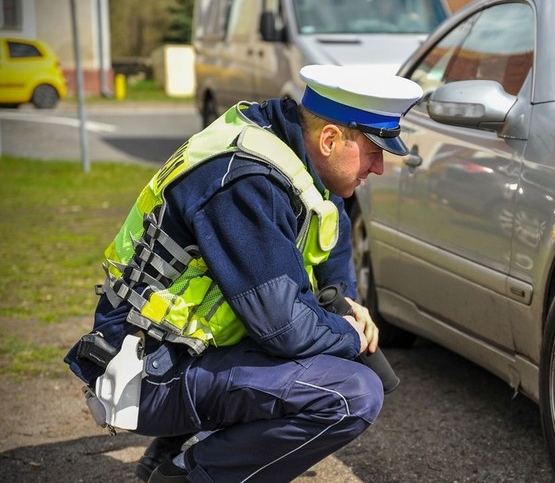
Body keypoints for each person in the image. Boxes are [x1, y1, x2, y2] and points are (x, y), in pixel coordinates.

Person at [64, 64, 423, 483]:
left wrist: (345, 301)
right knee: (352, 394)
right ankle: (189, 475)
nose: (379, 166)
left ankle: (182, 447)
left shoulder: (290, 151)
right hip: (145, 373)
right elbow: (285, 329)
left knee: (328, 348)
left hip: (180, 355)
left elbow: (332, 230)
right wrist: (349, 334)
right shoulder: (246, 182)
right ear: (329, 139)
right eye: (374, 150)